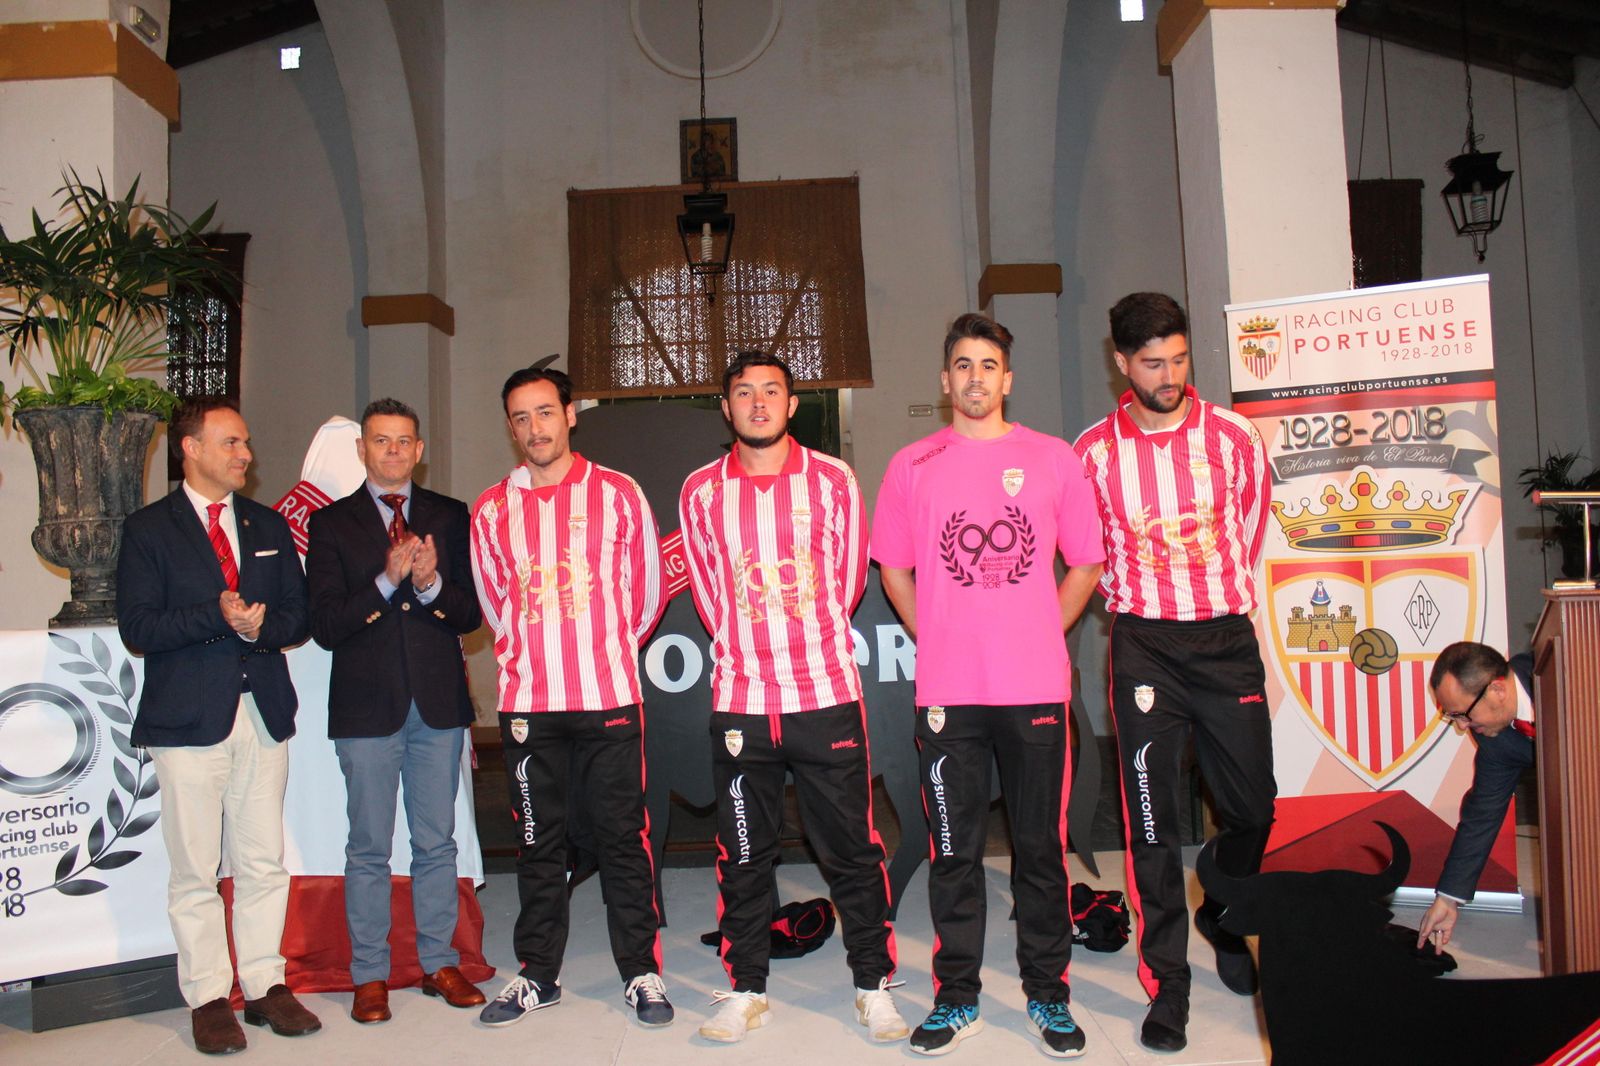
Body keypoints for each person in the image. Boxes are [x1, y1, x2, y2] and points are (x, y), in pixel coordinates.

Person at [872, 314, 1105, 1058]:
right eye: (962, 365)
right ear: (945, 381)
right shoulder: (913, 463)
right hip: (949, 693)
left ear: (1008, 379)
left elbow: (1087, 563)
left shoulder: (1052, 460)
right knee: (954, 852)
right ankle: (958, 998)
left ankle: (1047, 995)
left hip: (1035, 689)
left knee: (1040, 850)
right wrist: (934, 631)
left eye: (989, 365)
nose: (976, 377)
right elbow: (894, 569)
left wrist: (1045, 629)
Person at [679, 352, 905, 1045]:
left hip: (823, 693)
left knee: (851, 849)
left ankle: (873, 984)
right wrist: (755, 647)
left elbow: (845, 587)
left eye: (770, 391)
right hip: (743, 699)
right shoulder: (700, 491)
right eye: (743, 393)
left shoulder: (833, 480)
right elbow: (712, 597)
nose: (757, 403)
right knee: (744, 853)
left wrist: (799, 645)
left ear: (792, 403)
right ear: (726, 408)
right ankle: (746, 987)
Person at [1073, 292, 1276, 1054]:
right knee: (1151, 825)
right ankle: (1169, 984)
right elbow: (1086, 552)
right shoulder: (1093, 452)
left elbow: (1250, 530)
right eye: (1153, 363)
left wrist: (1214, 598)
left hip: (1224, 641)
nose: (1170, 375)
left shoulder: (1234, 437)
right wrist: (1140, 604)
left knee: (1252, 807)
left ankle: (1221, 913)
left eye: (1180, 359)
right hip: (1145, 648)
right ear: (1122, 363)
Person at [469, 366, 673, 1028]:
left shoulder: (617, 494)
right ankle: (536, 974)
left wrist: (601, 649)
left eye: (545, 413)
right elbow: (497, 605)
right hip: (530, 705)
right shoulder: (492, 508)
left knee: (620, 837)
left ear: (571, 414)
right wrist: (537, 658)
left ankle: (640, 970)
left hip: (607, 696)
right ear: (511, 428)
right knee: (536, 843)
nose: (535, 429)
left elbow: (645, 598)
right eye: (520, 418)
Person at [117, 399, 319, 1055]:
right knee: (195, 870)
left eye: (247, 443)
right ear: (192, 449)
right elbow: (139, 629)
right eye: (231, 443)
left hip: (262, 711)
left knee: (263, 861)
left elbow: (298, 617)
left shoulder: (266, 524)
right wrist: (217, 613)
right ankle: (208, 996)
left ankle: (264, 985)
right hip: (186, 720)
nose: (246, 456)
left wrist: (265, 627)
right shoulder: (150, 530)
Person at [305, 398, 486, 1024]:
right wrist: (386, 581)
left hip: (436, 707)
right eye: (381, 441)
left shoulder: (450, 516)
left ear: (420, 449)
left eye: (403, 441)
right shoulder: (330, 525)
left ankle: (438, 961)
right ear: (362, 449)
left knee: (436, 843)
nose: (392, 452)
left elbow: (471, 616)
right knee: (368, 848)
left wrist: (432, 584)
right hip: (366, 709)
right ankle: (369, 976)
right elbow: (325, 625)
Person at [1417, 641, 1536, 954]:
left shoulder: (1565, 672)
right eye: (1451, 717)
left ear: (1497, 690)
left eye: (1462, 714)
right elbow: (1483, 813)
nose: (1460, 727)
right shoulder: (1496, 739)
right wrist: (1447, 898)